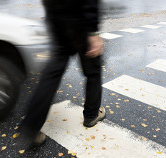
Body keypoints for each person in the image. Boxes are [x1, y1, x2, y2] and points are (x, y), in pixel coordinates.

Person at [19, 0, 105, 146]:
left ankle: (31, 126)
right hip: (79, 19)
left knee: (52, 74)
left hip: (56, 18)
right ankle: (91, 115)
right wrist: (92, 32)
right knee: (93, 71)